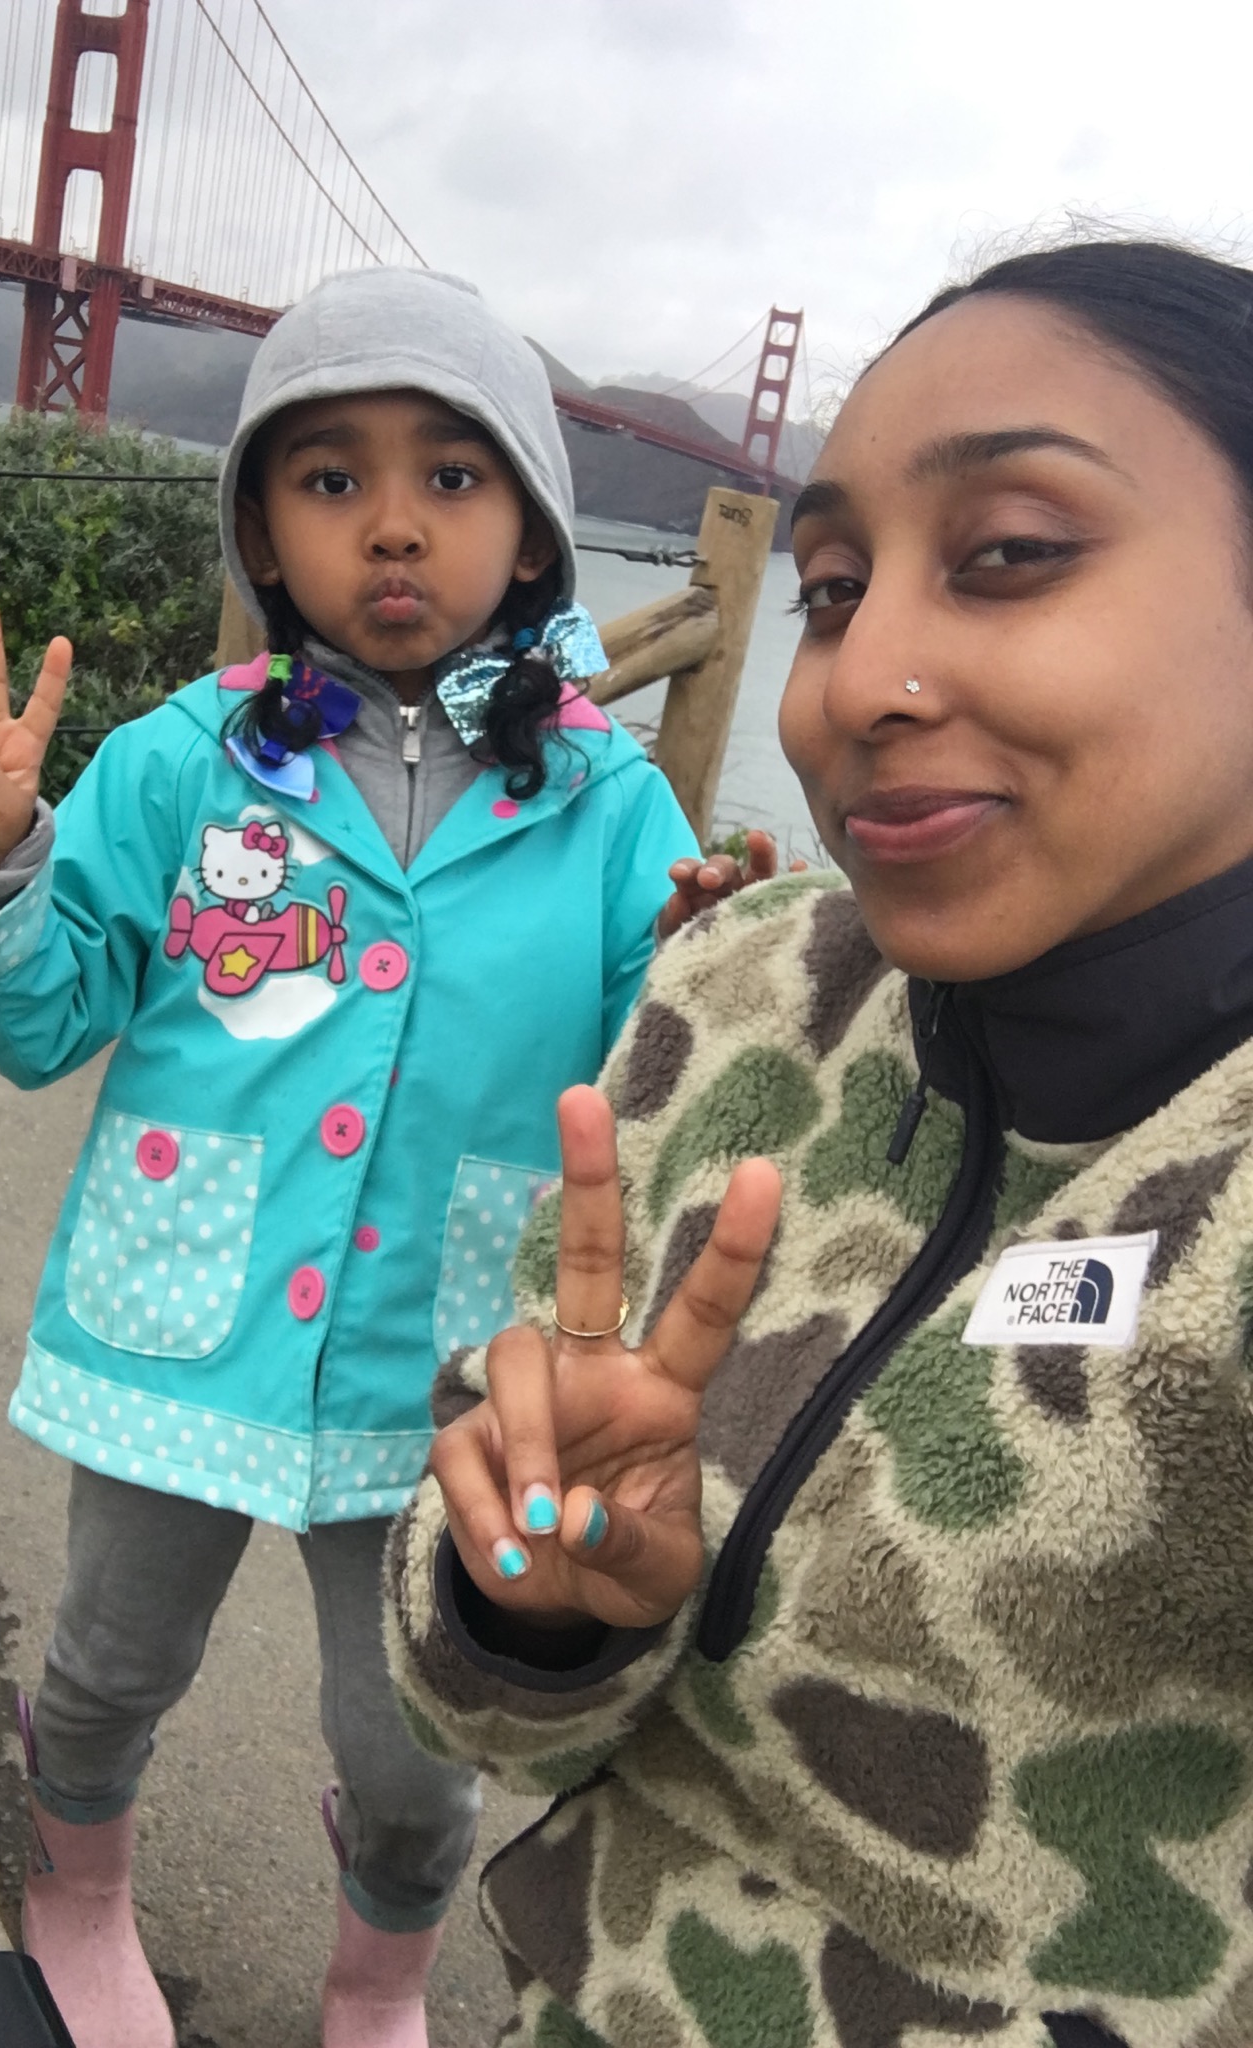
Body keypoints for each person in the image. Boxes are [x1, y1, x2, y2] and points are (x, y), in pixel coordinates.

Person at [388, 236, 1253, 2048]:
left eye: (1012, 554)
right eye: (837, 588)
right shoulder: (738, 999)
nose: (859, 684)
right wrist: (539, 1608)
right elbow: (478, 1711)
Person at [0, 265, 755, 2048]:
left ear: (532, 533)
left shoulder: (611, 806)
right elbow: (46, 1015)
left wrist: (708, 976)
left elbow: (649, 1087)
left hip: (448, 1371)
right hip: (174, 1328)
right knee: (110, 1663)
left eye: (452, 476)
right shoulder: (176, 767)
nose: (392, 526)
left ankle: (377, 1982)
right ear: (266, 531)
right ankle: (79, 1887)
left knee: (422, 1744)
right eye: (331, 478)